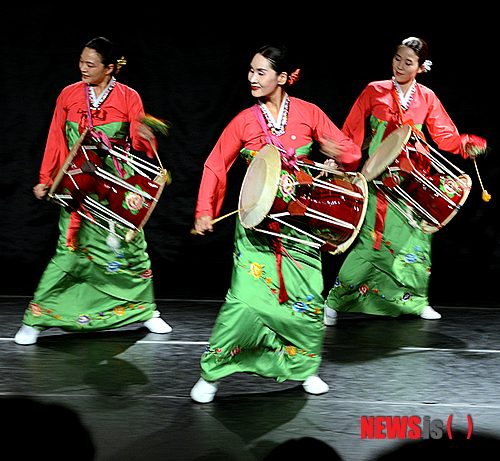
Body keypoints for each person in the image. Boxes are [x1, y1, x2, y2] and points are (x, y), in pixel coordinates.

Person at [190, 45, 361, 403]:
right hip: (256, 229)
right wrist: (205, 209)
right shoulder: (244, 121)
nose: (252, 78)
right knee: (244, 302)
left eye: (261, 72)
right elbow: (215, 165)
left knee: (306, 300)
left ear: (282, 78)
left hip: (301, 227)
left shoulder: (307, 112)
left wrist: (336, 156)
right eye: (250, 71)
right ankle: (213, 373)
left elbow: (350, 151)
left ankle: (304, 370)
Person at [15, 37, 171, 345]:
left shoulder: (128, 97)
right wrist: (46, 177)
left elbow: (137, 146)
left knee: (129, 250)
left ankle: (145, 310)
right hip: (78, 188)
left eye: (91, 64)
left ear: (109, 68)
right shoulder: (69, 95)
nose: (83, 68)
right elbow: (56, 139)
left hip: (116, 189)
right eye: (81, 62)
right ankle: (38, 318)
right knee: (68, 251)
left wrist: (146, 136)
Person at [324, 37, 487, 324]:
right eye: (397, 58)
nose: (400, 65)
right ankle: (335, 302)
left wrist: (465, 144)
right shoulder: (374, 91)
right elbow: (352, 130)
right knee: (369, 242)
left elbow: (445, 136)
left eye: (408, 62)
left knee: (417, 242)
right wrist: (339, 159)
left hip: (415, 181)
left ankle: (416, 302)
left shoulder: (426, 97)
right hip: (379, 178)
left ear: (421, 68)